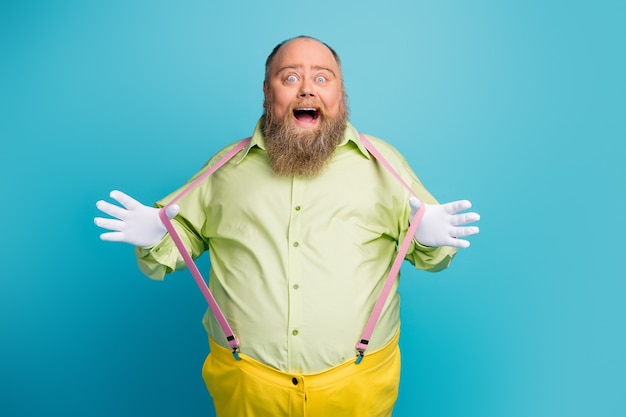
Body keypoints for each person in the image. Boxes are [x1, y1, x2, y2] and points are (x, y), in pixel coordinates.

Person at [94, 35, 480, 417]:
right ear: (267, 91)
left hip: (358, 384)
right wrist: (157, 236)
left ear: (341, 93)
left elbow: (433, 253)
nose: (307, 90)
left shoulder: (383, 164)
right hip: (247, 384)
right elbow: (180, 241)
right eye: (291, 77)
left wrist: (428, 241)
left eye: (323, 78)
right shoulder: (225, 168)